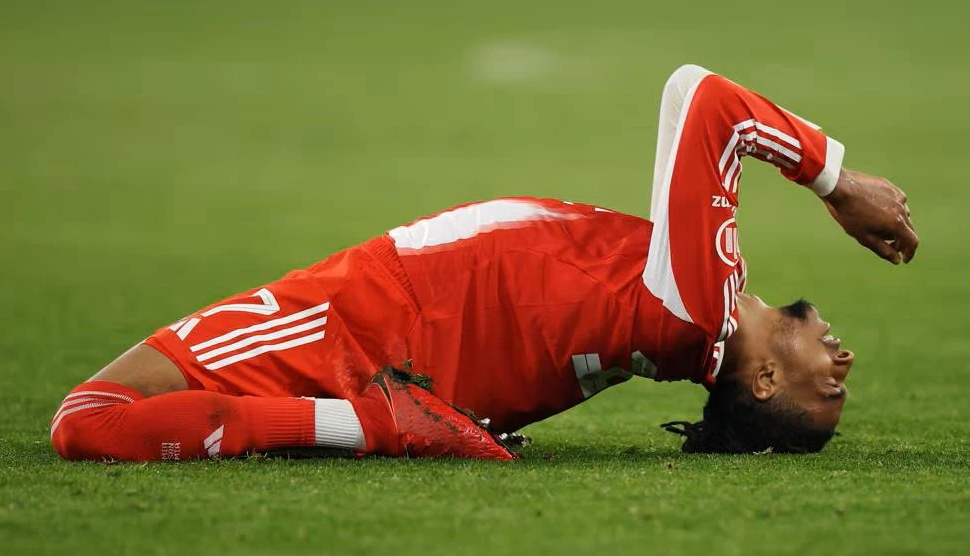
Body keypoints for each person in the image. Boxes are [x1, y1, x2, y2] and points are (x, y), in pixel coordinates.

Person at [50, 65, 918, 461]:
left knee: (89, 417)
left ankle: (363, 427)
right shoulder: (688, 311)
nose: (844, 360)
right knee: (105, 414)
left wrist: (836, 180)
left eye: (828, 386)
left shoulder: (696, 310)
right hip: (383, 325)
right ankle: (366, 425)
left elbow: (702, 99)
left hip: (358, 320)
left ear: (762, 382)